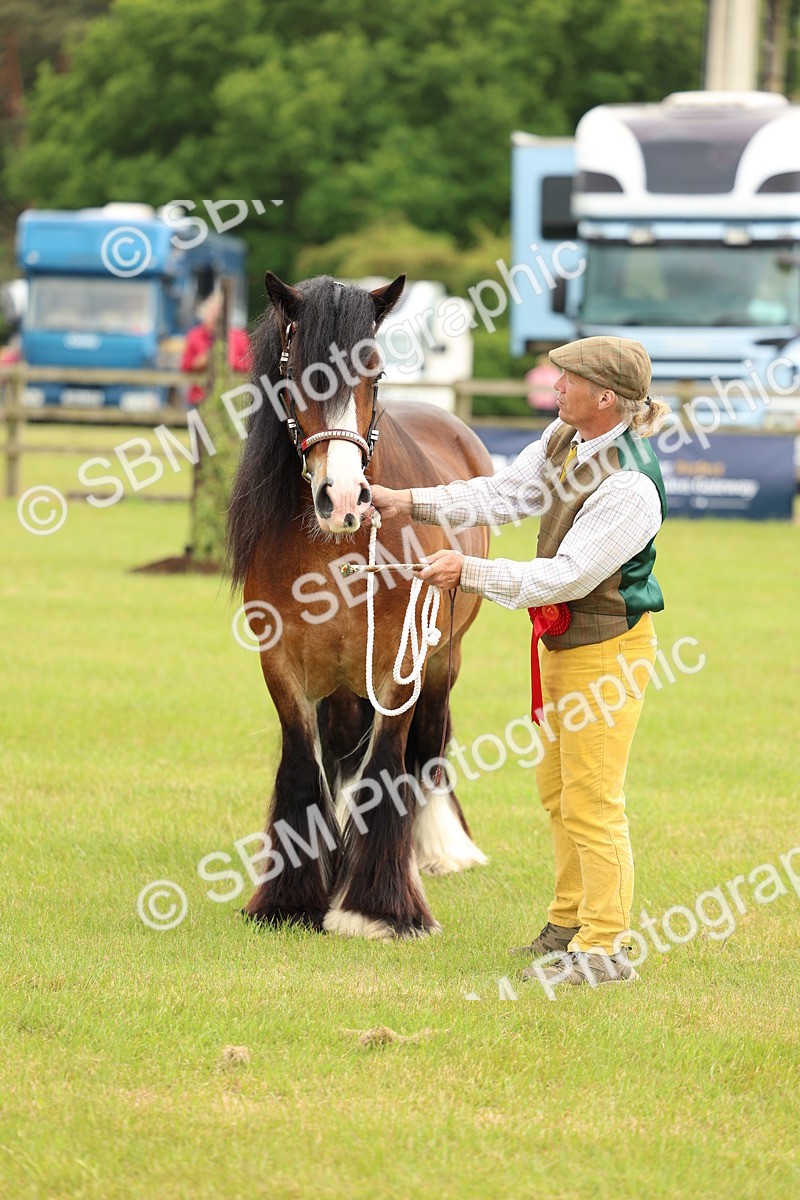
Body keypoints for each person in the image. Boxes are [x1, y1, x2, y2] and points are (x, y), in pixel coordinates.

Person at [371, 336, 672, 989]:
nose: (554, 385)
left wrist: (467, 570)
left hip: (607, 653)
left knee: (592, 800)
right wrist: (409, 502)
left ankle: (604, 948)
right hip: (568, 646)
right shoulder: (567, 439)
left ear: (605, 397)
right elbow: (501, 495)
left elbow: (564, 576)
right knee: (559, 793)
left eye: (568, 378)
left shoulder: (629, 485)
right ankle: (567, 925)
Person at [180, 292, 251, 405]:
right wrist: (198, 363)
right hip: (200, 397)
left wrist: (227, 361)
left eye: (218, 315)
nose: (215, 319)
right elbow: (185, 366)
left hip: (232, 396)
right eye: (212, 314)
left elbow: (250, 366)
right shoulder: (195, 336)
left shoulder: (239, 337)